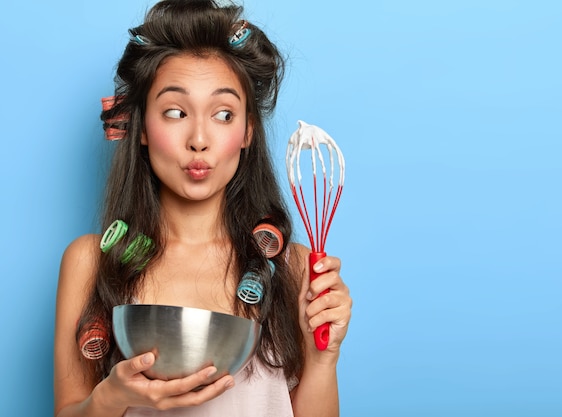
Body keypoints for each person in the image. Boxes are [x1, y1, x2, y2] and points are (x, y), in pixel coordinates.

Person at [53, 1, 352, 416]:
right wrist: (111, 396)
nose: (199, 139)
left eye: (223, 114)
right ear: (141, 127)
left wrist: (324, 358)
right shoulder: (92, 261)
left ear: (247, 130)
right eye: (175, 112)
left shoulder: (293, 268)